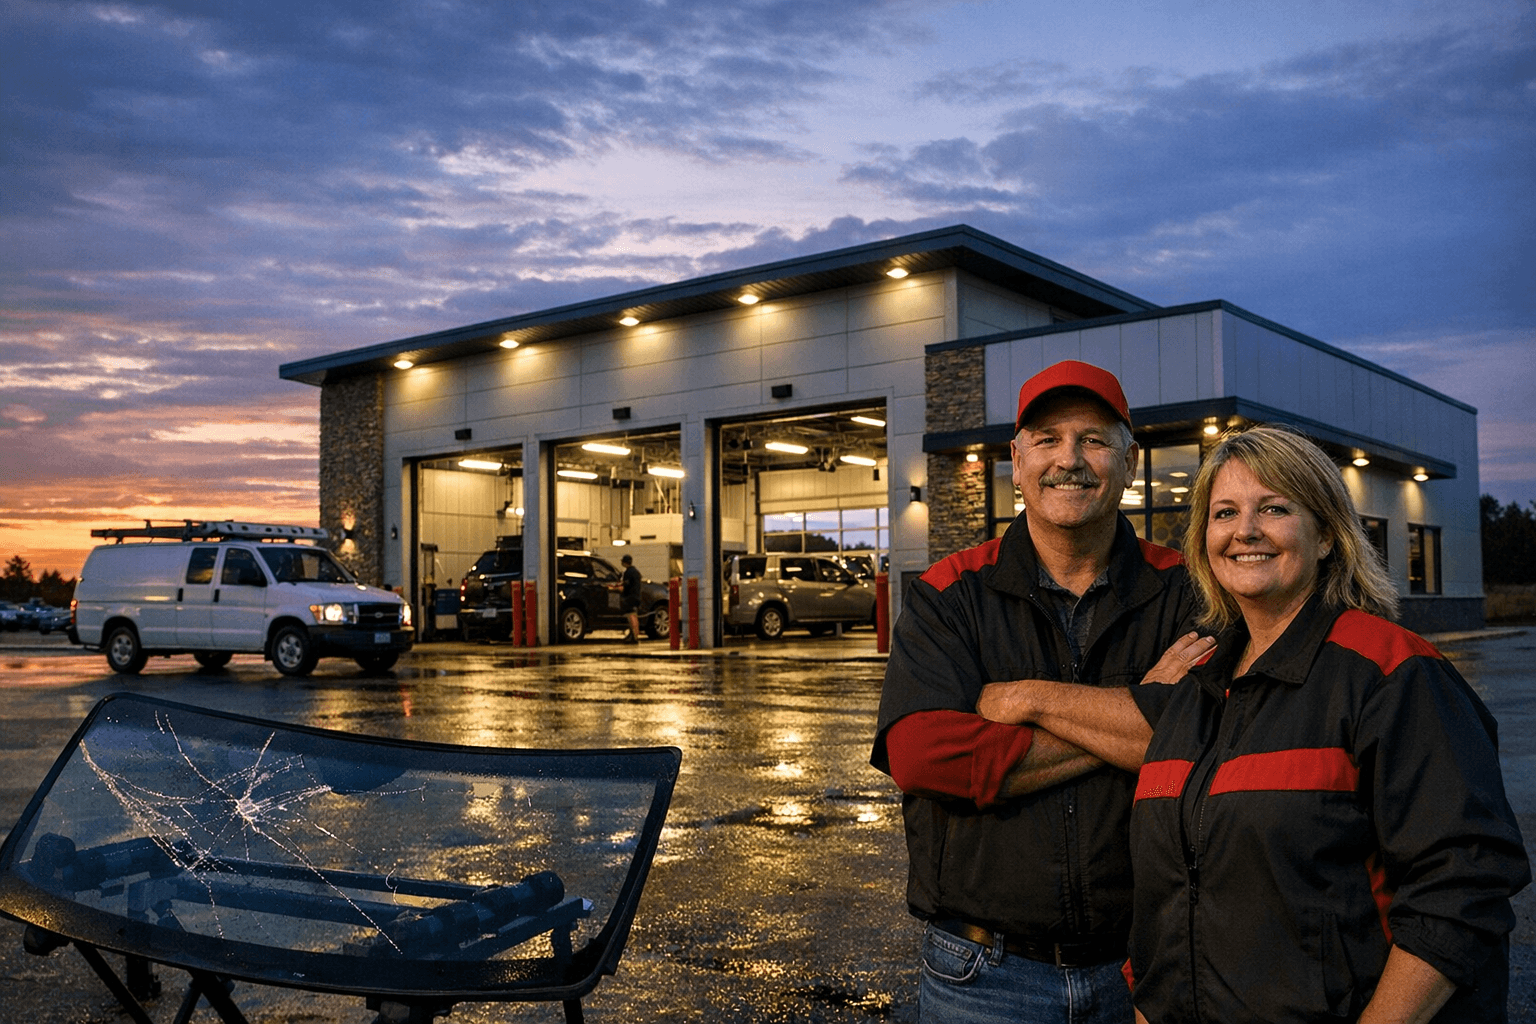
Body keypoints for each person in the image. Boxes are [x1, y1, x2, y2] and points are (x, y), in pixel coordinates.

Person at [980, 425, 1530, 1023]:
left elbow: (1462, 888)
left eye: (1274, 508)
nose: (1245, 531)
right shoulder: (1197, 683)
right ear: (1205, 541)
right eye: (1224, 513)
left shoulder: (1392, 674)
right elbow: (1169, 891)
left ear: (1326, 535)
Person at [872, 360, 1206, 1023]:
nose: (1069, 460)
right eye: (1048, 439)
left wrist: (1026, 699)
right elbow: (921, 756)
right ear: (1017, 463)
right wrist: (1140, 715)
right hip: (982, 977)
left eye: (1093, 440)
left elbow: (1212, 737)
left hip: (1152, 964)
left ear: (1129, 462)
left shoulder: (1187, 590)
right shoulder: (950, 593)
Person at [620, 553, 642, 643]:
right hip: (637, 596)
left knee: (631, 617)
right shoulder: (636, 572)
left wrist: (620, 588)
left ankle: (634, 636)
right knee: (634, 616)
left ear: (625, 562)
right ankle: (633, 635)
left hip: (630, 597)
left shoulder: (628, 573)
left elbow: (626, 585)